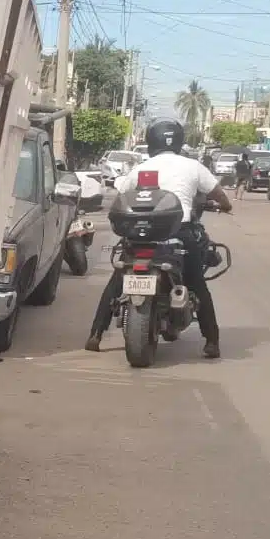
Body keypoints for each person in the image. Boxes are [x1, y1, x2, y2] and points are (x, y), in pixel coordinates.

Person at [86, 117, 232, 358]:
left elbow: (121, 193)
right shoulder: (192, 166)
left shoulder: (142, 167)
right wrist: (225, 205)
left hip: (140, 235)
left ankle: (95, 335)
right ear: (179, 141)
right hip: (180, 232)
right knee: (196, 282)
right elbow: (217, 193)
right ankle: (212, 341)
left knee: (116, 282)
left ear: (151, 140)